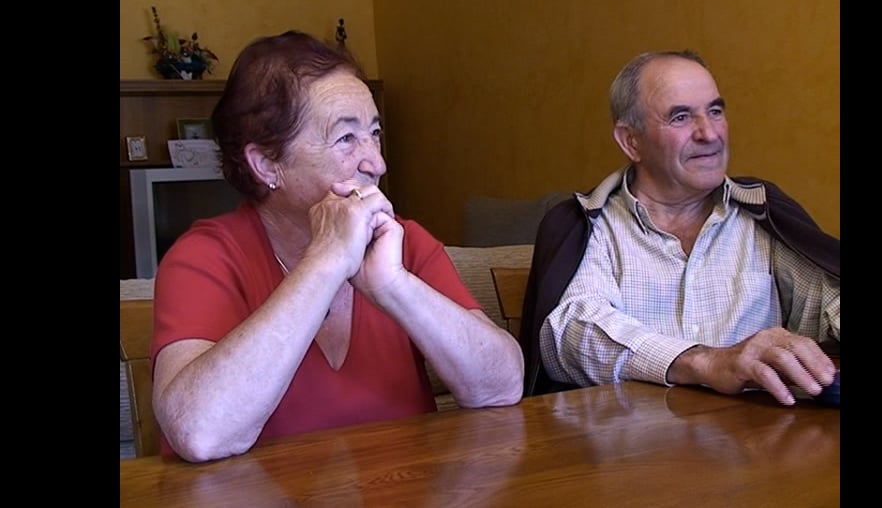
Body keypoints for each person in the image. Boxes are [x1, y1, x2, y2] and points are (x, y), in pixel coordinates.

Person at [151, 30, 524, 463]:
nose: (377, 163)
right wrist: (325, 263)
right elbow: (199, 433)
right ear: (266, 164)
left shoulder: (403, 241)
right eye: (346, 138)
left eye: (374, 133)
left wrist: (394, 286)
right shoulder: (204, 257)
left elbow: (502, 386)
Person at [521, 50, 839, 405]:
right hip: (633, 436)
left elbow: (829, 302)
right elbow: (573, 334)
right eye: (681, 117)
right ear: (631, 141)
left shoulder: (763, 214)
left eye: (715, 111)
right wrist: (707, 362)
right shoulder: (587, 225)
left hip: (759, 434)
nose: (709, 133)